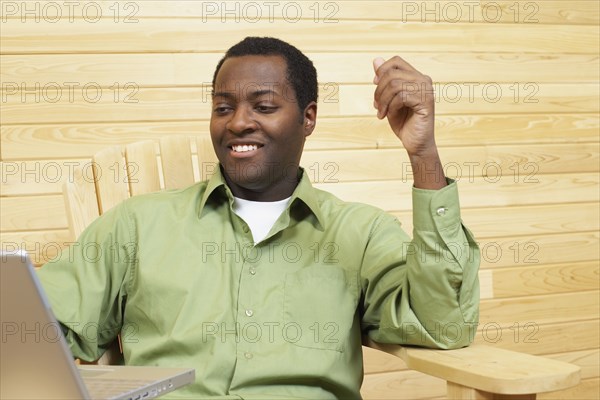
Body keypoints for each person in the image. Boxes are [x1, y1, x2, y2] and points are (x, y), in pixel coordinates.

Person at [38, 37, 480, 399]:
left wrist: (424, 155)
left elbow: (443, 325)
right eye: (223, 107)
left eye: (263, 106)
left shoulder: (359, 234)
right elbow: (36, 329)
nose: (238, 123)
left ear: (308, 118)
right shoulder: (136, 226)